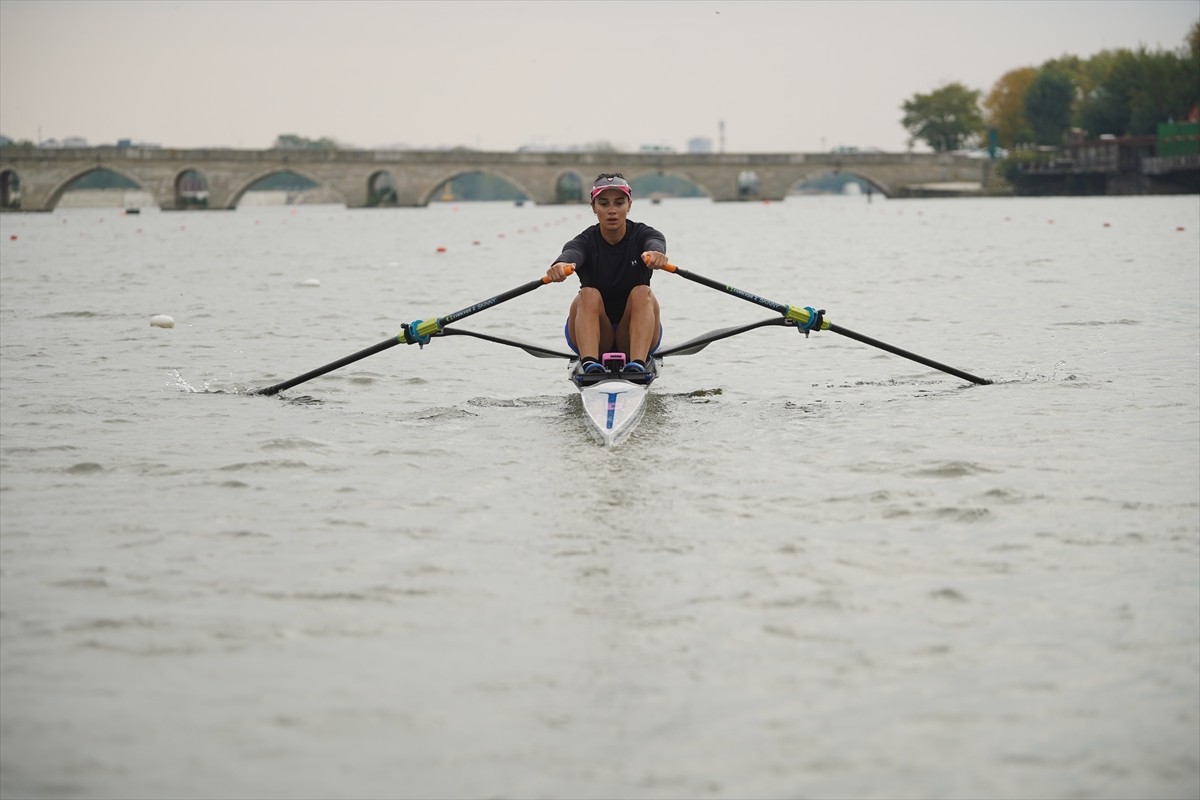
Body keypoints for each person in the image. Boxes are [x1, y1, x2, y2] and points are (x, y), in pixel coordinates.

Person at [545, 173, 668, 375]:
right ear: (594, 207)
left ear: (629, 205)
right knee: (588, 294)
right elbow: (570, 253)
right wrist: (560, 265)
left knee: (642, 291)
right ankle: (590, 364)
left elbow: (655, 242)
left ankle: (637, 365)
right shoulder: (584, 241)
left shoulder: (644, 235)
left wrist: (657, 254)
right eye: (604, 204)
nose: (612, 211)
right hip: (594, 334)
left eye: (619, 203)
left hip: (635, 333)